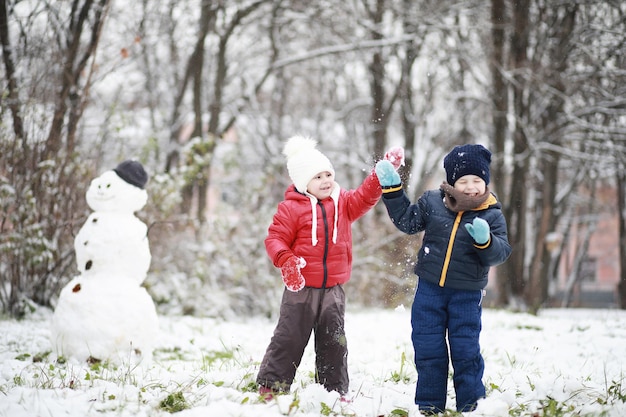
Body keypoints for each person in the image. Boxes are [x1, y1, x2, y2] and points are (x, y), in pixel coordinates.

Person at [256, 135, 402, 399]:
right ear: (303, 183)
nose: (326, 181)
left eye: (328, 174)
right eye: (317, 177)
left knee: (334, 341)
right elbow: (274, 239)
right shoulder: (290, 209)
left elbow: (364, 198)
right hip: (300, 287)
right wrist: (286, 260)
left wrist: (379, 177)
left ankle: (333, 390)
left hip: (333, 288)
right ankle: (272, 385)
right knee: (289, 338)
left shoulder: (343, 202)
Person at [375, 143, 512, 414]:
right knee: (428, 346)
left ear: (485, 181)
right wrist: (393, 192)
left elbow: (501, 253)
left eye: (477, 180)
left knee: (465, 350)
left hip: (467, 293)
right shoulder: (432, 202)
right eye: (464, 180)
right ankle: (429, 403)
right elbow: (407, 221)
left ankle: (472, 403)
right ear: (452, 182)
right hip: (429, 290)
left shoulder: (491, 213)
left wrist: (486, 242)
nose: (471, 186)